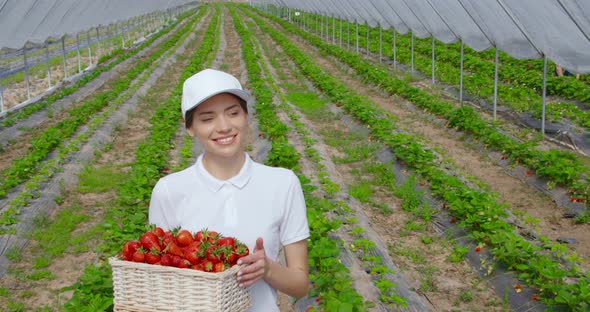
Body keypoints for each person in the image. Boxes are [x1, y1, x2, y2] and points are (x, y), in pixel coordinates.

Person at [148, 68, 310, 311]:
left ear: (246, 117)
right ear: (190, 127)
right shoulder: (169, 191)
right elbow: (160, 284)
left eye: (233, 113)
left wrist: (267, 268)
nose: (223, 126)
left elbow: (300, 286)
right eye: (207, 118)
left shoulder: (283, 183)